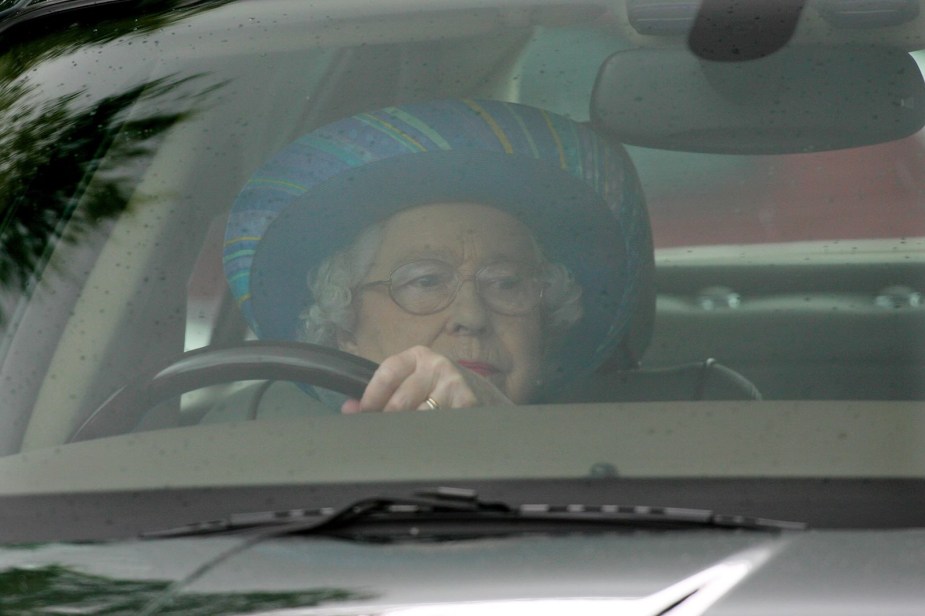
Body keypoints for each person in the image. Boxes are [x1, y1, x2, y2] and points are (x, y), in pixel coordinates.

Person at [221, 99, 654, 416]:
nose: (471, 316)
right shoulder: (244, 444)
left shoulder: (639, 457)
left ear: (544, 326)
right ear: (342, 326)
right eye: (426, 281)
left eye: (506, 282)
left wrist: (500, 437)